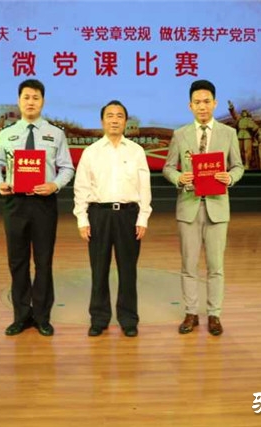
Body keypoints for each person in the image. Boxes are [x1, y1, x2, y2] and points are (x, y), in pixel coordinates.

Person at [0, 79, 75, 336]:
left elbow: (67, 168)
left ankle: (42, 317)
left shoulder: (55, 133)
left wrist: (54, 185)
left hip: (43, 203)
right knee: (18, 261)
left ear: (43, 101)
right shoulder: (7, 133)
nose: (31, 102)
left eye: (36, 97)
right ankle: (21, 316)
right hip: (15, 203)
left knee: (43, 261)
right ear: (19, 101)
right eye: (26, 97)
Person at [163, 80, 244, 336]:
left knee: (215, 266)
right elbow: (168, 167)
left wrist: (230, 177)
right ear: (190, 106)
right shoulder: (180, 134)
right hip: (188, 206)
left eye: (207, 101)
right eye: (197, 102)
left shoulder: (228, 134)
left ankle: (214, 314)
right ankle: (190, 313)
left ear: (215, 103)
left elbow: (238, 166)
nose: (202, 106)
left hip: (217, 207)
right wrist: (179, 178)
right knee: (188, 265)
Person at [73, 100, 152, 338]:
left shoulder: (136, 151)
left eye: (119, 116)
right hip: (99, 215)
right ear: (102, 121)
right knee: (99, 270)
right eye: (110, 116)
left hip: (128, 215)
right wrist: (82, 219)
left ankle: (128, 319)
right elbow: (81, 187)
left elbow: (144, 187)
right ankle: (99, 319)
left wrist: (143, 218)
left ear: (125, 121)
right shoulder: (91, 152)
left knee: (128, 271)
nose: (115, 120)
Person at [227, 102, 258, 170]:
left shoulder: (250, 120)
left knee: (247, 150)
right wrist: (232, 108)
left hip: (247, 135)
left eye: (245, 112)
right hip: (240, 135)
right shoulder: (239, 119)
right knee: (238, 150)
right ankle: (239, 164)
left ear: (247, 113)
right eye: (243, 112)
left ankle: (247, 164)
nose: (244, 113)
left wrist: (251, 127)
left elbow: (256, 128)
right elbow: (234, 114)